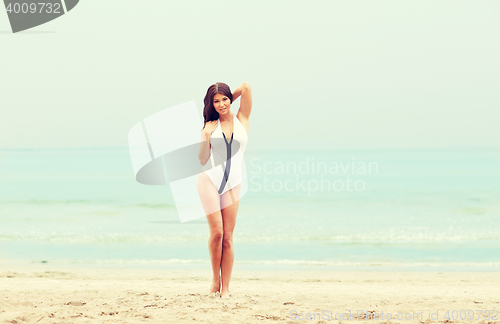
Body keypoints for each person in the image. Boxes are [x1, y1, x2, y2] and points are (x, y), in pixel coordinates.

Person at [197, 82, 252, 299]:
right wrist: (206, 136)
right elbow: (202, 160)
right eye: (216, 101)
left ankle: (226, 288)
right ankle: (215, 281)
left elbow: (246, 87)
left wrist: (228, 95)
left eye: (224, 99)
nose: (221, 104)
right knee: (217, 233)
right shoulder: (209, 126)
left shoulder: (242, 119)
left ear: (230, 99)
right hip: (210, 180)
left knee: (228, 237)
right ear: (210, 104)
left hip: (233, 183)